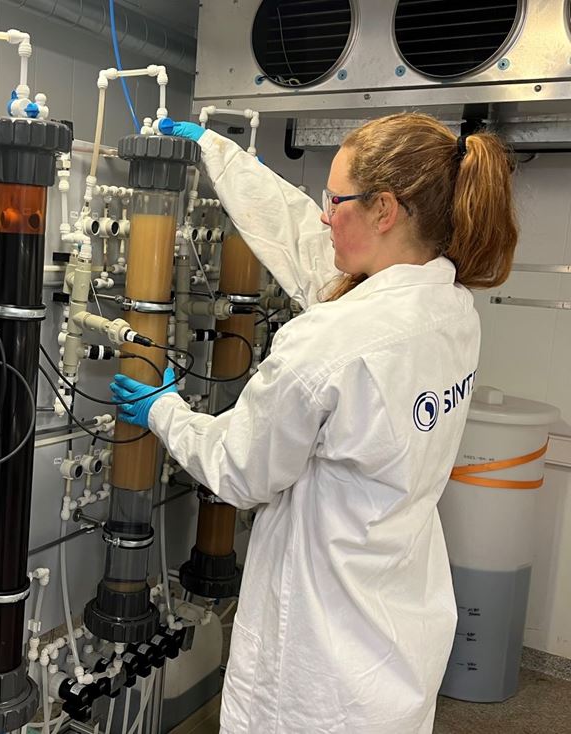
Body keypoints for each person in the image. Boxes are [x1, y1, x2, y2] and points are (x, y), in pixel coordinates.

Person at [111, 113, 518, 733]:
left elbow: (240, 470)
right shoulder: (449, 307)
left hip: (317, 662)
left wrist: (165, 410)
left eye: (336, 200)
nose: (325, 214)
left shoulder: (330, 343)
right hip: (396, 627)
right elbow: (301, 238)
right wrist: (223, 157)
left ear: (385, 209)